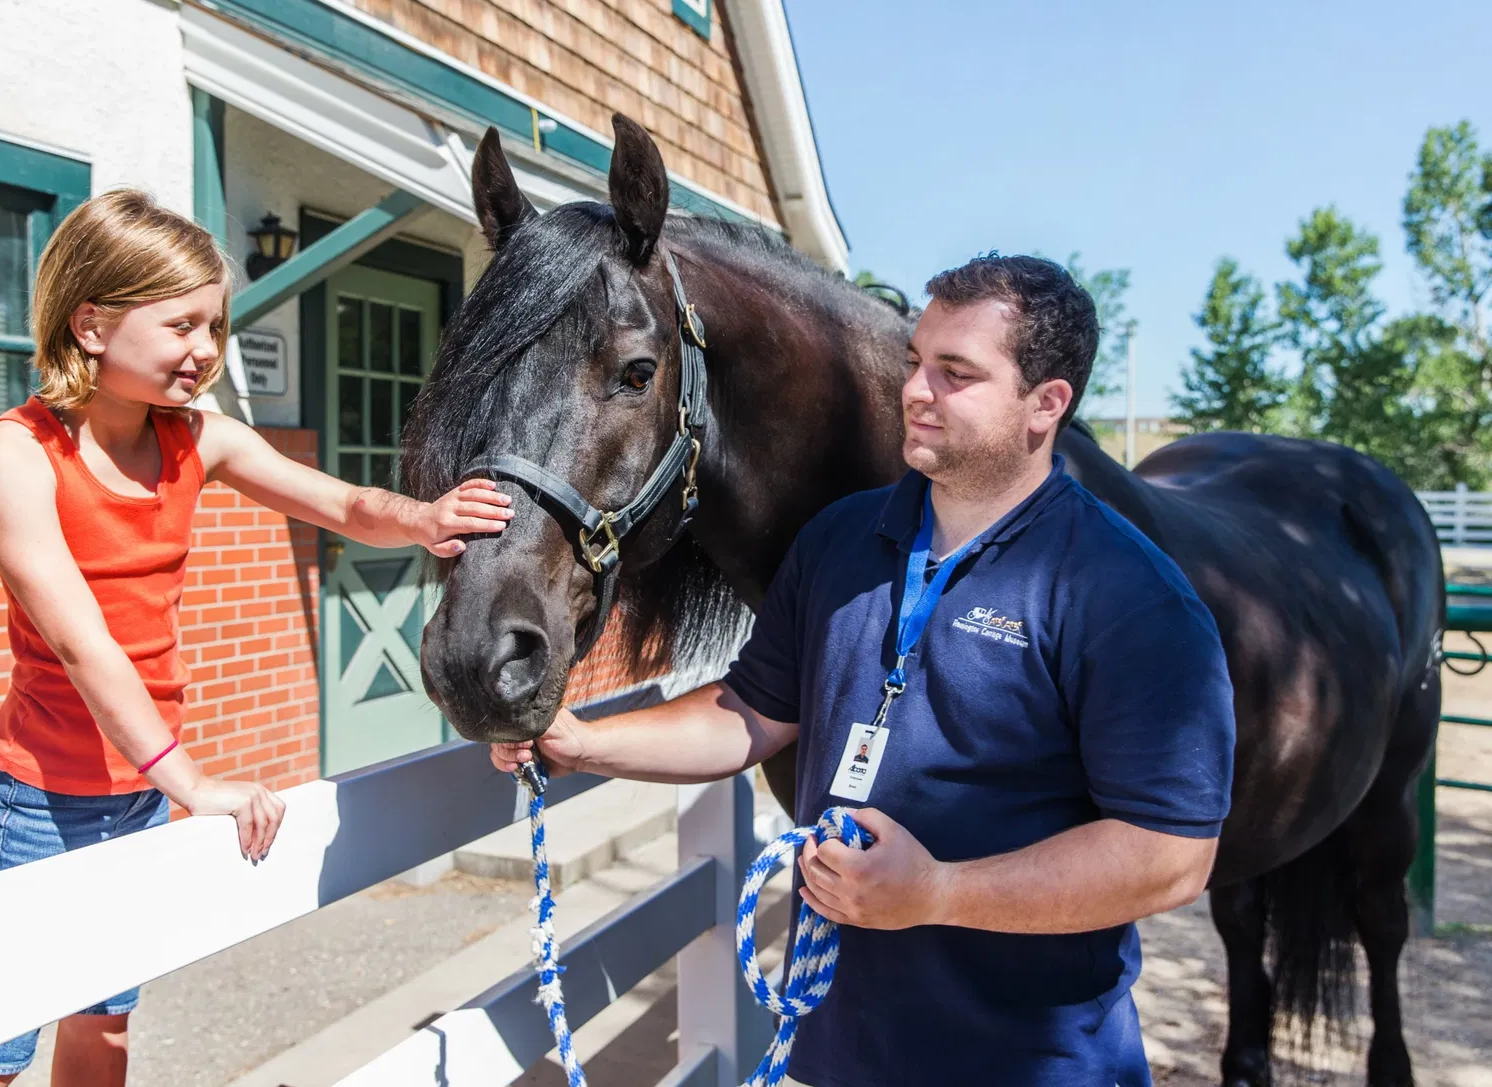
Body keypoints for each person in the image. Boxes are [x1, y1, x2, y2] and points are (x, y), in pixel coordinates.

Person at [493, 254, 1236, 1086]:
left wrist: (939, 891)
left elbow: (1171, 854)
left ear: (1046, 404)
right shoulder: (842, 539)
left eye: (956, 374)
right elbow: (750, 710)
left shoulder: (1127, 593)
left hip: (1032, 1065)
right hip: (838, 1052)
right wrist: (582, 742)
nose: (916, 389)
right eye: (917, 360)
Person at [0, 189, 512, 1087]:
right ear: (91, 324)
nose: (206, 350)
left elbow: (342, 503)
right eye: (181, 326)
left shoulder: (200, 439)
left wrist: (427, 515)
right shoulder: (14, 454)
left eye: (215, 324)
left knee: (107, 1029)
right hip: (35, 796)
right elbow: (86, 646)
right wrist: (190, 781)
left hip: (135, 790)